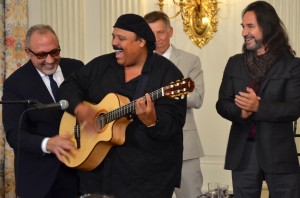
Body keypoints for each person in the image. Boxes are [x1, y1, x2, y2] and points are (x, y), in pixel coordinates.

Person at [59, 13, 187, 198]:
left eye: (121, 38)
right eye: (113, 36)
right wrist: (79, 108)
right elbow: (69, 86)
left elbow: (173, 124)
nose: (114, 43)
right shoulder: (101, 65)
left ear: (141, 42)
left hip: (147, 181)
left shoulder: (168, 75)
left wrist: (152, 121)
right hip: (97, 175)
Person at [216, 1, 300, 198]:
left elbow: (295, 108)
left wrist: (258, 107)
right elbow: (222, 104)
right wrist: (241, 112)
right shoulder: (235, 63)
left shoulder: (292, 66)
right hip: (243, 154)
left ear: (267, 26)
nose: (244, 32)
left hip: (279, 154)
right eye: (243, 27)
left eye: (250, 26)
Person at [2, 24, 84, 198]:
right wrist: (48, 144)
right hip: (40, 180)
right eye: (41, 55)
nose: (50, 60)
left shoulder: (76, 68)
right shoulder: (15, 84)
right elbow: (14, 134)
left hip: (80, 172)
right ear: (27, 52)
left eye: (55, 52)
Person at [144, 11, 205, 198]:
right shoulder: (137, 63)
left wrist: (164, 96)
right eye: (151, 33)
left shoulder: (190, 60)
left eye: (160, 32)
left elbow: (197, 98)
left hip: (185, 148)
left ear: (170, 32)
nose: (156, 38)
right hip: (148, 148)